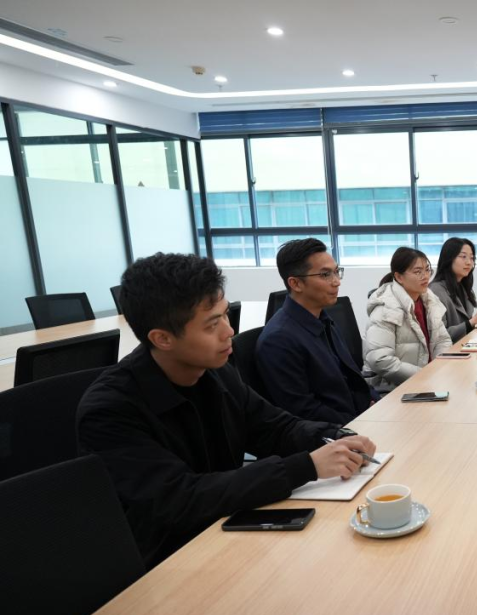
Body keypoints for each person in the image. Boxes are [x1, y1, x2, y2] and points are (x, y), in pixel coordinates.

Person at [77, 253, 376, 568]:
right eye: (212, 325)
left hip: (227, 529)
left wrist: (333, 436)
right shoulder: (110, 410)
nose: (228, 331)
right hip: (168, 561)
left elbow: (274, 427)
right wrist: (306, 466)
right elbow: (181, 499)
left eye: (225, 315)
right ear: (162, 338)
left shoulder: (215, 371)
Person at [256, 238, 378, 424]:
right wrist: (359, 422)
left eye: (336, 272)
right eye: (325, 275)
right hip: (335, 433)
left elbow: (353, 378)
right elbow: (303, 411)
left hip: (358, 420)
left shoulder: (324, 320)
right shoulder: (278, 339)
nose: (336, 282)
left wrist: (377, 405)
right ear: (296, 283)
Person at [365, 247, 452, 385]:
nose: (425, 276)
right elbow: (380, 360)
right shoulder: (386, 308)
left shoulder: (429, 300)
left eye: (427, 270)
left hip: (428, 380)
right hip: (395, 387)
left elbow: (442, 340)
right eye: (418, 272)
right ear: (399, 277)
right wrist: (425, 375)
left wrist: (439, 369)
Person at [428, 237, 477, 342]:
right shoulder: (435, 291)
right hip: (450, 350)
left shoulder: (463, 287)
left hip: (466, 343)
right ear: (449, 259)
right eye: (463, 257)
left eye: (472, 258)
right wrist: (472, 322)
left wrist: (476, 319)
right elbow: (440, 337)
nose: (469, 262)